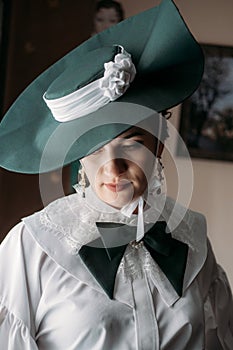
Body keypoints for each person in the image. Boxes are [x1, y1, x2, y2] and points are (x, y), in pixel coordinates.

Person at [0, 0, 232, 348]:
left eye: (131, 143)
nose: (113, 167)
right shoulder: (30, 247)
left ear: (158, 144)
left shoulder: (194, 239)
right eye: (93, 149)